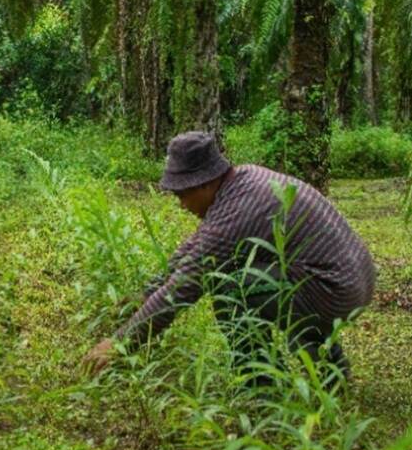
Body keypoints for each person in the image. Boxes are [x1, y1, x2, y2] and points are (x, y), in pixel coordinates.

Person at [82, 131, 375, 384]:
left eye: (183, 195)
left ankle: (261, 385)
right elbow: (195, 247)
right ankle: (331, 373)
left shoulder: (238, 211)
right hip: (348, 280)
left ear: (205, 183)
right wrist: (146, 293)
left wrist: (120, 343)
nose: (182, 205)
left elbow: (186, 284)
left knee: (230, 286)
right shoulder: (242, 180)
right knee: (271, 279)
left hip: (334, 290)